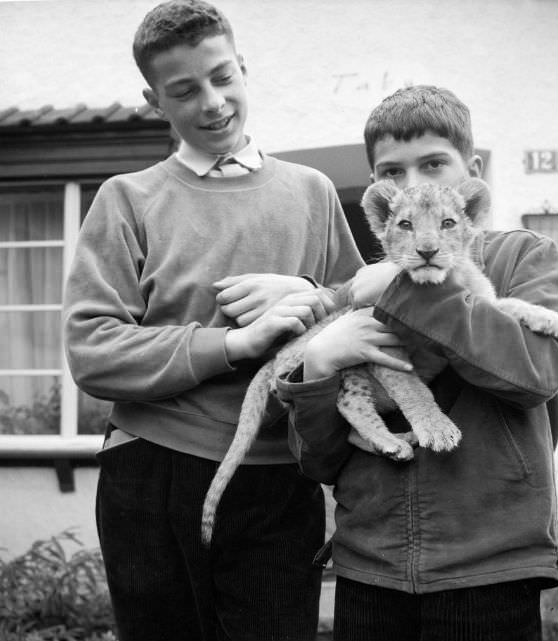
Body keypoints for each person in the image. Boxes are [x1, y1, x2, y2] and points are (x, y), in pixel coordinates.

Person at [62, 1, 364, 640]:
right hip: (154, 475)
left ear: (243, 68)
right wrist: (232, 343)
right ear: (154, 101)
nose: (213, 102)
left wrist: (309, 290)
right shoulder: (127, 200)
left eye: (223, 77)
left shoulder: (311, 192)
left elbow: (360, 308)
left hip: (281, 477)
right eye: (185, 90)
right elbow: (91, 349)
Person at [276, 85, 558, 641]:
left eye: (435, 164)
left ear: (473, 179)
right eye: (392, 173)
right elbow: (316, 459)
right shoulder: (361, 287)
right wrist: (318, 366)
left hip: (489, 561)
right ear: (376, 195)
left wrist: (400, 291)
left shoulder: (524, 257)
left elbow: (537, 373)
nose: (414, 187)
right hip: (370, 560)